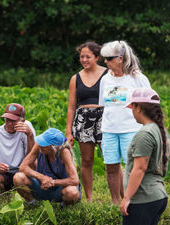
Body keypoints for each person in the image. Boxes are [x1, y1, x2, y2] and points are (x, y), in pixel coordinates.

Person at [99, 40, 151, 204]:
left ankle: (134, 200)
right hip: (109, 129)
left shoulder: (137, 78)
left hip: (131, 129)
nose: (105, 62)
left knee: (132, 167)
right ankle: (115, 202)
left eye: (109, 58)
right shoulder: (105, 80)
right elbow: (103, 104)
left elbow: (150, 103)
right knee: (111, 166)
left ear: (120, 58)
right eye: (104, 58)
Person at [66, 41, 108, 201]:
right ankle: (89, 198)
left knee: (111, 159)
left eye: (88, 57)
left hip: (104, 118)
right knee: (87, 160)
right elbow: (71, 107)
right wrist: (68, 131)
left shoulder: (108, 74)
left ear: (97, 57)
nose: (84, 60)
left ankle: (121, 197)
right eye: (81, 56)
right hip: (83, 120)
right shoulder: (75, 78)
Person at [120, 88, 168, 225]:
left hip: (143, 200)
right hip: (157, 196)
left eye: (132, 107)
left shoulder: (145, 134)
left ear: (138, 107)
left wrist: (126, 197)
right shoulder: (161, 130)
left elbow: (140, 168)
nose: (132, 112)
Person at [14, 128, 80, 205]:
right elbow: (23, 167)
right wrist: (42, 177)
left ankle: (63, 206)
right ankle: (32, 203)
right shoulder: (39, 145)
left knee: (72, 192)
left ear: (56, 147)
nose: (41, 146)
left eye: (45, 145)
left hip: (60, 187)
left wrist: (52, 182)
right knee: (18, 177)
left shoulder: (64, 152)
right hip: (41, 184)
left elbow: (74, 180)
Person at [0, 103, 36, 193]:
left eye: (13, 121)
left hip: (23, 171)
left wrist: (30, 135)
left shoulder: (27, 128)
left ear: (22, 121)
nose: (9, 124)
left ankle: (30, 198)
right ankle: (4, 193)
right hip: (5, 174)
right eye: (7, 120)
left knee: (34, 163)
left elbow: (33, 156)